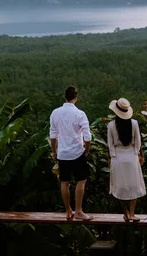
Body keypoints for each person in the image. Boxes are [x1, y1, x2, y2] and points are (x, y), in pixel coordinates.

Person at [50, 86, 93, 221]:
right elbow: (87, 137)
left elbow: (52, 135)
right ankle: (79, 210)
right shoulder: (80, 114)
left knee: (64, 182)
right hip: (77, 152)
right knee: (81, 180)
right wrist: (86, 150)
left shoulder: (55, 113)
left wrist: (54, 151)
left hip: (62, 153)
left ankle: (68, 210)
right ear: (76, 97)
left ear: (65, 97)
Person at [107, 97, 146, 222]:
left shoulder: (111, 125)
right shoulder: (134, 124)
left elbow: (110, 144)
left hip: (117, 158)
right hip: (131, 157)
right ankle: (133, 213)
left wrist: (111, 157)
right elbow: (138, 142)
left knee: (119, 187)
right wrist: (139, 155)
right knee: (133, 185)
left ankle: (126, 213)